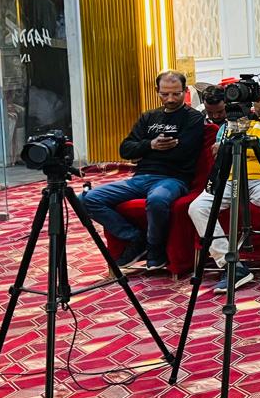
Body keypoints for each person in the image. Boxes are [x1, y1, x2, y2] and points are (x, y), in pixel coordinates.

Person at [83, 70, 206, 270]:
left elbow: (185, 152)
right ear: (157, 91)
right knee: (87, 199)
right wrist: (151, 146)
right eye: (165, 94)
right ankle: (136, 239)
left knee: (157, 200)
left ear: (185, 91)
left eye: (176, 93)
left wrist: (145, 150)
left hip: (173, 178)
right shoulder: (149, 117)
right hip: (140, 177)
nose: (171, 99)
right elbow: (125, 149)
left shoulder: (192, 118)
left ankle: (155, 248)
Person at [188, 81, 260, 293]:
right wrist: (246, 147)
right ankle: (232, 266)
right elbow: (219, 151)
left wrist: (242, 145)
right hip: (230, 179)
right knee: (197, 207)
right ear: (253, 97)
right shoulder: (232, 122)